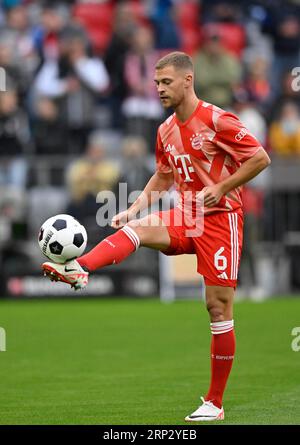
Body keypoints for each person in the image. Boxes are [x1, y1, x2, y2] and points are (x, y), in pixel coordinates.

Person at [42, 52, 270, 422]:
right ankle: (79, 268)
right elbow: (164, 176)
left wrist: (224, 186)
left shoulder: (217, 119)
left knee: (217, 308)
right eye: (156, 83)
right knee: (138, 228)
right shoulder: (164, 130)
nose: (159, 89)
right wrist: (134, 207)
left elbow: (259, 157)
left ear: (187, 80)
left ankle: (214, 403)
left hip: (221, 219)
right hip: (186, 214)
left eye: (166, 82)